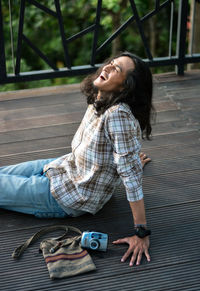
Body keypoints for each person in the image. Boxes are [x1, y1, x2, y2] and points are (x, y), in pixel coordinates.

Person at [0, 52, 153, 266]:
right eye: (110, 63)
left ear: (126, 87)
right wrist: (131, 160)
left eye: (116, 69)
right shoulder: (103, 98)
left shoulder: (118, 114)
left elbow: (130, 176)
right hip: (63, 167)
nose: (107, 68)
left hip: (69, 197)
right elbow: (121, 155)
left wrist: (142, 231)